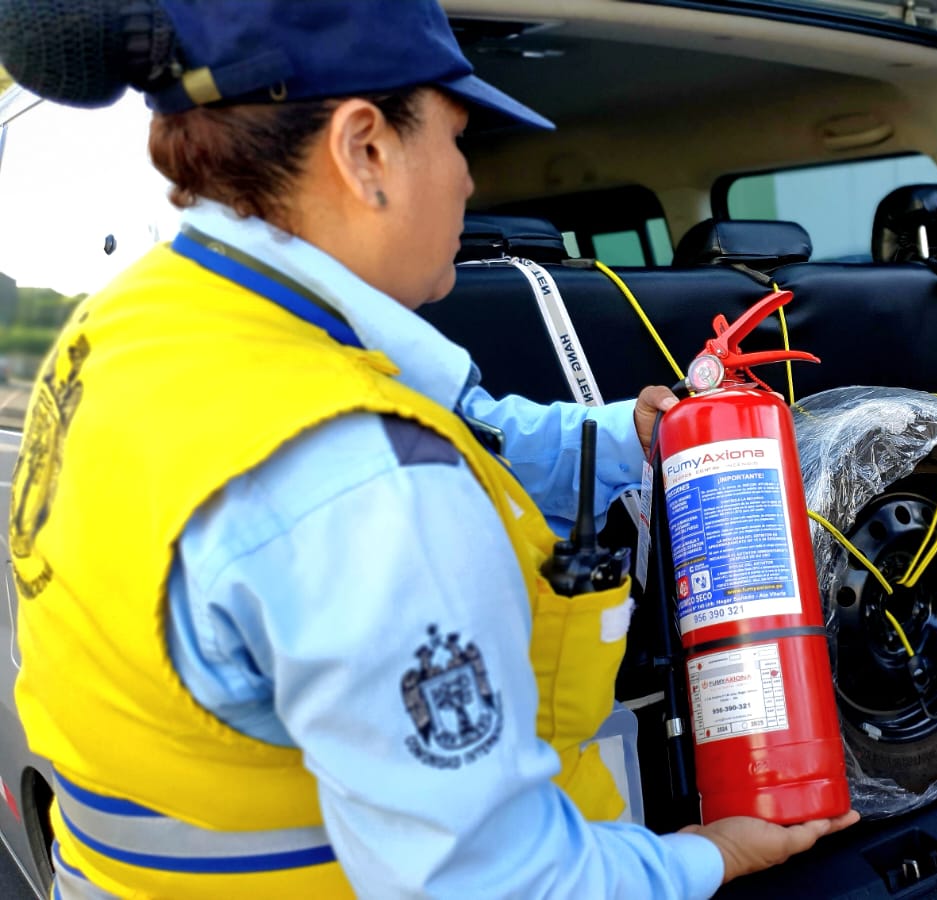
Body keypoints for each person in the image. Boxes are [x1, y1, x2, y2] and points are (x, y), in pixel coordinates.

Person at [1, 1, 855, 897]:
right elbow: (501, 883)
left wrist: (632, 435)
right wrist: (713, 854)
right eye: (457, 138)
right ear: (365, 150)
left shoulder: (130, 327)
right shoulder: (361, 480)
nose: (469, 183)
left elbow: (476, 428)